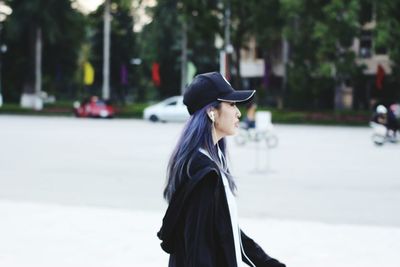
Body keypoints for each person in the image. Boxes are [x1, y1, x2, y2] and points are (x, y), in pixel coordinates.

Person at [157, 72, 286, 267]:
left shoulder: (212, 159)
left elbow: (229, 233)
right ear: (212, 112)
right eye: (232, 104)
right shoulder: (203, 172)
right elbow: (197, 248)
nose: (238, 113)